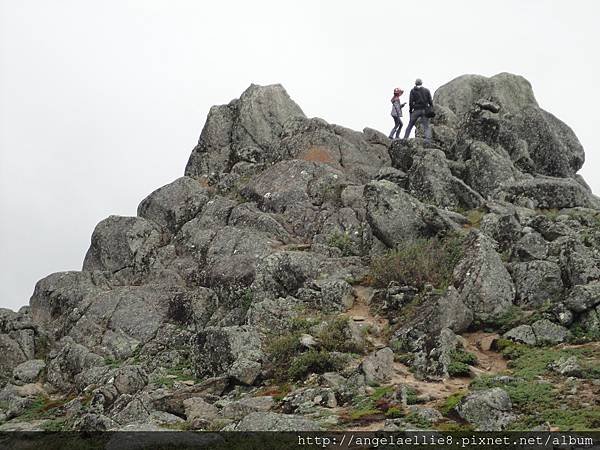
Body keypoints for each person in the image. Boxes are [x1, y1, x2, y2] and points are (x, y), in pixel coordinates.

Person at [403, 78, 433, 144]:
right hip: (425, 110)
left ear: (415, 83)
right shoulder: (427, 90)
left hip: (416, 110)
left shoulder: (412, 91)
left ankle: (405, 139)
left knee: (410, 125)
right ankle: (428, 140)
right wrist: (430, 108)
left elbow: (410, 102)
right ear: (421, 83)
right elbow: (430, 101)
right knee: (426, 126)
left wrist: (410, 111)